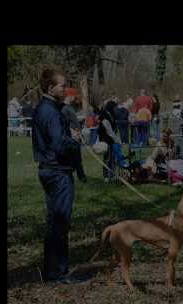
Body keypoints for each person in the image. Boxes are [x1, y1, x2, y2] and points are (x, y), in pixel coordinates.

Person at [31, 68, 86, 284]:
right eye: (62, 85)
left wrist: (67, 135)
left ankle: (52, 271)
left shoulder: (45, 108)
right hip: (57, 172)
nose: (65, 88)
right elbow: (59, 145)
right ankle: (58, 273)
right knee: (60, 222)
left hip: (49, 170)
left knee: (54, 221)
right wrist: (75, 140)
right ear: (50, 87)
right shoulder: (51, 112)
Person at [98, 101, 128, 183]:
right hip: (105, 140)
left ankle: (112, 175)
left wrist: (118, 140)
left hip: (112, 140)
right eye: (115, 107)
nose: (116, 109)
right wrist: (117, 140)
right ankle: (106, 176)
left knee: (113, 158)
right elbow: (109, 131)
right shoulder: (104, 115)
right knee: (107, 158)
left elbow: (114, 130)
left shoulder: (112, 115)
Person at [62, 95, 87, 183]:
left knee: (77, 158)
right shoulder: (64, 108)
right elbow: (64, 123)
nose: (75, 97)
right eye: (73, 95)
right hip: (71, 136)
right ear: (69, 96)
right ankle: (77, 176)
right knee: (73, 158)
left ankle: (81, 176)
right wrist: (72, 132)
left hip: (77, 136)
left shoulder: (70, 107)